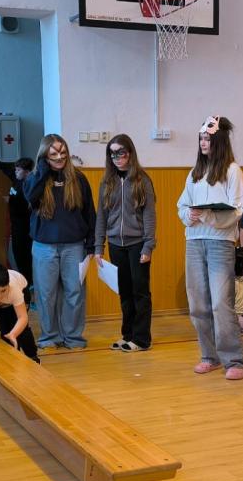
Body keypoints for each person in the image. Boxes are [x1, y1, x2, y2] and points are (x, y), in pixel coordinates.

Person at [177, 115, 243, 379]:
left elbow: (237, 210)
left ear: (219, 141)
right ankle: (209, 356)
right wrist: (188, 215)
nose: (203, 143)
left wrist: (207, 216)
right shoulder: (194, 173)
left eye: (207, 138)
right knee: (198, 304)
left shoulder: (232, 170)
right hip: (194, 242)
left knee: (220, 303)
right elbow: (182, 205)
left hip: (220, 243)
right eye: (201, 139)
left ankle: (234, 361)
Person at [24, 135, 96, 350]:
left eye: (63, 153)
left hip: (75, 245)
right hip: (44, 246)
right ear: (44, 155)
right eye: (53, 154)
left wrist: (92, 244)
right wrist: (43, 170)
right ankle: (49, 336)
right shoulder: (35, 178)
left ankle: (73, 337)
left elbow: (90, 213)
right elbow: (31, 197)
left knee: (74, 292)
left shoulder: (78, 179)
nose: (59, 157)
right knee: (46, 294)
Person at [95, 134, 157, 352]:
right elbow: (101, 216)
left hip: (137, 244)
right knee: (125, 292)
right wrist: (98, 247)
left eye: (121, 153)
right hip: (115, 244)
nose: (117, 158)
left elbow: (149, 216)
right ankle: (128, 334)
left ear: (130, 153)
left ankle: (141, 339)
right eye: (112, 154)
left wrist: (148, 246)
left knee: (140, 292)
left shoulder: (142, 181)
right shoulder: (107, 182)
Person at [0, 156, 35, 296]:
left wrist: (10, 200)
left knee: (24, 256)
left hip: (24, 228)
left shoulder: (29, 186)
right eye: (16, 169)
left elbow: (25, 206)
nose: (15, 172)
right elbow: (10, 171)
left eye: (18, 170)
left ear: (27, 172)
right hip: (15, 225)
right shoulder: (17, 179)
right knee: (17, 255)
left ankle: (29, 285)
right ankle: (25, 283)